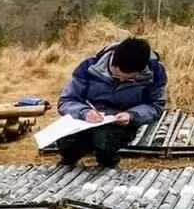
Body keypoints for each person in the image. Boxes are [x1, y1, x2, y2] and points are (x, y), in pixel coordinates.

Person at [54, 35, 167, 168]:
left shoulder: (156, 73)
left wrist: (132, 115)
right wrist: (84, 112)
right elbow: (66, 100)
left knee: (103, 139)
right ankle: (69, 158)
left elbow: (155, 106)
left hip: (120, 123)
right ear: (113, 62)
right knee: (66, 140)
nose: (121, 81)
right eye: (116, 76)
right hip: (86, 119)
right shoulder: (89, 66)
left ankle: (108, 162)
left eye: (129, 80)